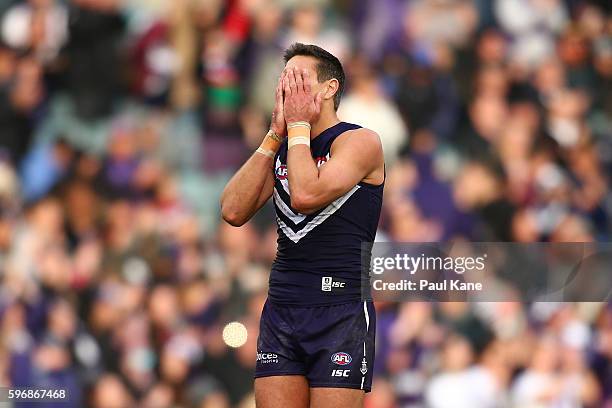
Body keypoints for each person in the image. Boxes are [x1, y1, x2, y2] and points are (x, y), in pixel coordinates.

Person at [220, 43, 385, 408]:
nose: (287, 87)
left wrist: (295, 127)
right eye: (284, 80)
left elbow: (306, 195)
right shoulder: (285, 143)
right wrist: (274, 134)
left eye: (299, 78)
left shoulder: (360, 142)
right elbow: (232, 210)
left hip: (339, 309)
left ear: (329, 89)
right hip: (283, 305)